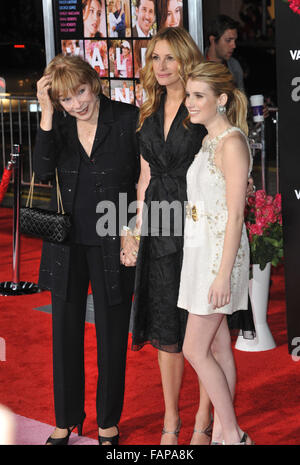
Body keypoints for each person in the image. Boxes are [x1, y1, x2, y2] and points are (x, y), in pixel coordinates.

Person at [34, 54, 139, 445]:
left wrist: (136, 233)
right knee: (64, 333)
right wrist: (46, 114)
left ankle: (108, 421)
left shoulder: (127, 119)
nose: (77, 104)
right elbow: (42, 172)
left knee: (112, 336)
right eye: (65, 99)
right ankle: (65, 419)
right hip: (66, 241)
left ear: (93, 82)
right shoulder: (56, 124)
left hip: (115, 239)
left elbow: (143, 182)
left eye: (80, 91)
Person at [125, 27, 215, 446]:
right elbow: (144, 178)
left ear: (185, 59)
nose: (160, 67)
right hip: (160, 229)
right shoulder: (147, 110)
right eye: (154, 58)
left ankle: (202, 420)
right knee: (166, 327)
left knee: (200, 332)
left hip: (196, 226)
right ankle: (170, 421)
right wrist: (133, 229)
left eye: (168, 58)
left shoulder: (200, 108)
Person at [178, 61, 254, 445]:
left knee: (194, 347)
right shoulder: (208, 140)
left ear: (221, 99)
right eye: (189, 94)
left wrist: (223, 274)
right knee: (219, 344)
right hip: (201, 255)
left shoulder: (232, 142)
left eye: (198, 96)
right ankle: (228, 433)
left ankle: (231, 433)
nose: (189, 102)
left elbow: (237, 213)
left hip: (219, 260)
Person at [205, 15, 245, 92]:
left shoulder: (234, 66)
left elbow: (241, 100)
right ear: (213, 40)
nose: (234, 46)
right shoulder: (197, 65)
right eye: (228, 40)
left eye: (234, 40)